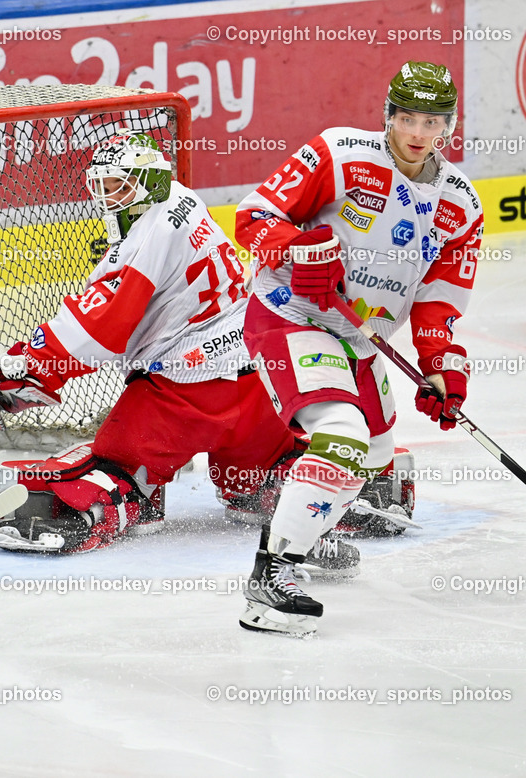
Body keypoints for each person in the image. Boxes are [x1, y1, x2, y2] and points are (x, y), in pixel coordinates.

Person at [0, 130, 315, 556]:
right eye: (104, 185)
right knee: (257, 473)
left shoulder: (146, 238)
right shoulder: (185, 200)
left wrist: (29, 365)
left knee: (118, 463)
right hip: (262, 385)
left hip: (188, 397)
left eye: (119, 185)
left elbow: (99, 327)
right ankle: (293, 484)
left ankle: (86, 506)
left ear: (148, 183)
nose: (108, 196)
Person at [234, 60, 482, 635]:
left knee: (374, 457)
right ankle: (272, 576)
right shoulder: (339, 154)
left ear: (448, 125)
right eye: (408, 118)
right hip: (289, 315)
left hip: (360, 337)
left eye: (432, 120)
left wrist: (442, 368)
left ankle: (307, 524)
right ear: (388, 116)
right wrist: (301, 249)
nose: (419, 132)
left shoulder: (461, 205)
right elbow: (253, 217)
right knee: (342, 438)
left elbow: (437, 303)